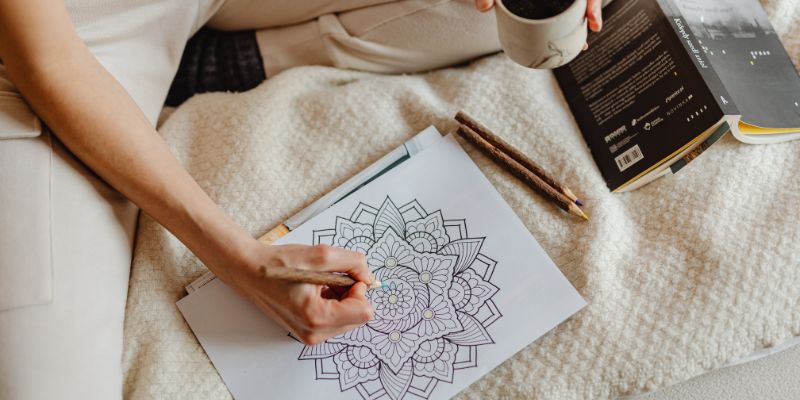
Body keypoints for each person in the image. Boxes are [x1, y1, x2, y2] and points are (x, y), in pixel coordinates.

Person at [0, 0, 602, 398]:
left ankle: (240, 57)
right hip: (50, 49)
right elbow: (49, 60)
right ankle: (185, 73)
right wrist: (242, 261)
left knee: (504, 15)